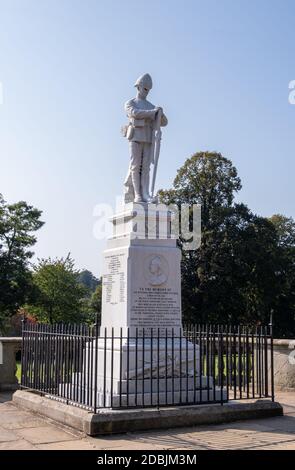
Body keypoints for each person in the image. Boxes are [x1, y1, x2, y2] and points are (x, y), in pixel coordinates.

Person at [122, 73, 168, 203]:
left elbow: (164, 122)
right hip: (135, 137)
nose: (146, 92)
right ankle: (137, 194)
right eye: (145, 89)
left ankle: (146, 194)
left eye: (148, 90)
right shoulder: (130, 103)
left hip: (148, 138)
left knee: (146, 167)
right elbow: (134, 113)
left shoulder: (151, 106)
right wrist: (152, 113)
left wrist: (160, 113)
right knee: (135, 166)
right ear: (139, 87)